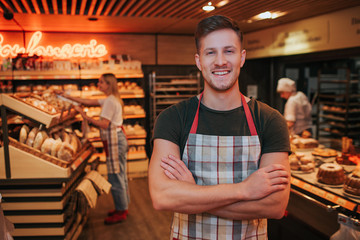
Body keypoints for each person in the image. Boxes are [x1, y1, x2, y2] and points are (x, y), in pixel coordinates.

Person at [149, 15, 291, 240]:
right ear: (198, 61)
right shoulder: (173, 118)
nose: (220, 61)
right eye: (210, 52)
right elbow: (162, 197)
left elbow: (274, 206)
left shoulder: (270, 120)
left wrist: (192, 193)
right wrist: (244, 190)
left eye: (229, 51)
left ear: (242, 57)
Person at [61, 73, 129, 225]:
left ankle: (121, 211)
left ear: (109, 85)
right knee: (121, 175)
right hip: (117, 140)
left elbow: (104, 124)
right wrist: (65, 95)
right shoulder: (110, 99)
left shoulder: (110, 101)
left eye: (101, 82)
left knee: (116, 177)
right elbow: (87, 101)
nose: (99, 84)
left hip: (115, 142)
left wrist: (84, 116)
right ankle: (123, 207)